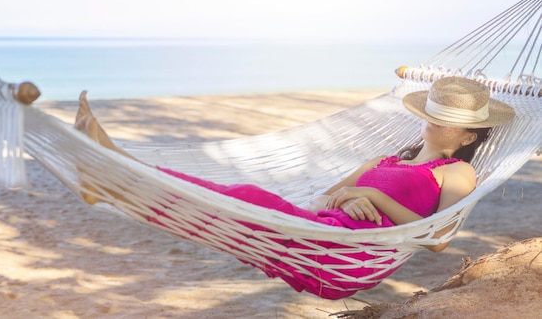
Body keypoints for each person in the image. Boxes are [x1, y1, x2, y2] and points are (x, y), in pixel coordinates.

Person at [73, 76, 515, 298]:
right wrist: (350, 195)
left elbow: (438, 238)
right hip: (323, 232)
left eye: (451, 121)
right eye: (435, 112)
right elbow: (329, 197)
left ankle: (117, 167)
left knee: (247, 198)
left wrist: (373, 197)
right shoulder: (384, 160)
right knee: (237, 208)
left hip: (351, 256)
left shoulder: (455, 172)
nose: (437, 122)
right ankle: (114, 180)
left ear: (468, 136)